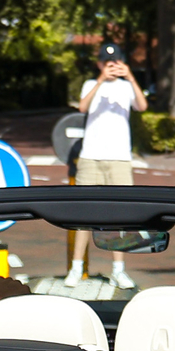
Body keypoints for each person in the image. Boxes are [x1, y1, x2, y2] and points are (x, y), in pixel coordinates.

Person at [68, 45, 141, 287]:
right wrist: (100, 80)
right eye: (106, 62)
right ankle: (76, 268)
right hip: (91, 157)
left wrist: (130, 77)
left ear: (122, 63)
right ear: (99, 64)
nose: (111, 66)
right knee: (83, 214)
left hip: (119, 158)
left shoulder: (127, 86)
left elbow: (142, 106)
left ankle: (118, 270)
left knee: (119, 215)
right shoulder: (91, 83)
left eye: (115, 61)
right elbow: (82, 107)